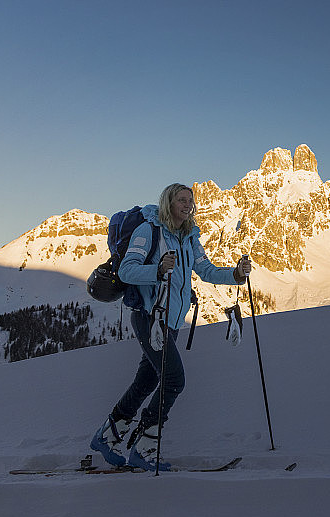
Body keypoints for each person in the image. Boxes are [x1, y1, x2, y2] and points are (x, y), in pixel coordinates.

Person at [90, 183, 252, 471]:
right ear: (168, 202)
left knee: (147, 382)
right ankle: (144, 446)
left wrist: (237, 274)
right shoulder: (149, 230)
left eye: (190, 200)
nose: (187, 204)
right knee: (175, 380)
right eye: (181, 199)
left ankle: (107, 436)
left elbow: (206, 270)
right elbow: (127, 270)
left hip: (173, 321)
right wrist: (157, 270)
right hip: (150, 319)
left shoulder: (189, 236)